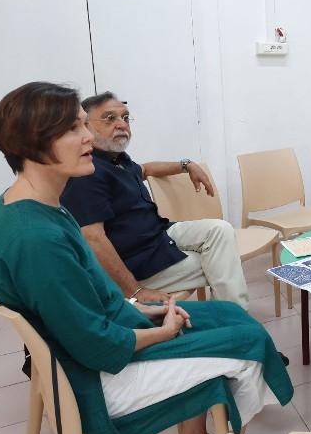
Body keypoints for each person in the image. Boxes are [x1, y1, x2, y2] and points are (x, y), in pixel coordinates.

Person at [0, 82, 293, 434]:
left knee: (230, 314)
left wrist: (139, 310)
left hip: (104, 329)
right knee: (249, 345)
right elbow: (96, 346)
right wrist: (160, 331)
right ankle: (225, 427)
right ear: (33, 142)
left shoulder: (31, 205)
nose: (88, 136)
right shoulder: (37, 239)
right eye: (75, 128)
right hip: (97, 381)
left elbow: (89, 299)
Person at [60, 91, 248, 307]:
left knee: (220, 230)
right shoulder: (88, 173)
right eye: (110, 118)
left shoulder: (116, 160)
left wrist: (186, 165)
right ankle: (236, 319)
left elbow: (146, 169)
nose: (122, 124)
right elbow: (93, 239)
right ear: (86, 126)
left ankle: (230, 315)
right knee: (223, 264)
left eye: (125, 117)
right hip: (140, 263)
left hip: (159, 235)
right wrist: (135, 290)